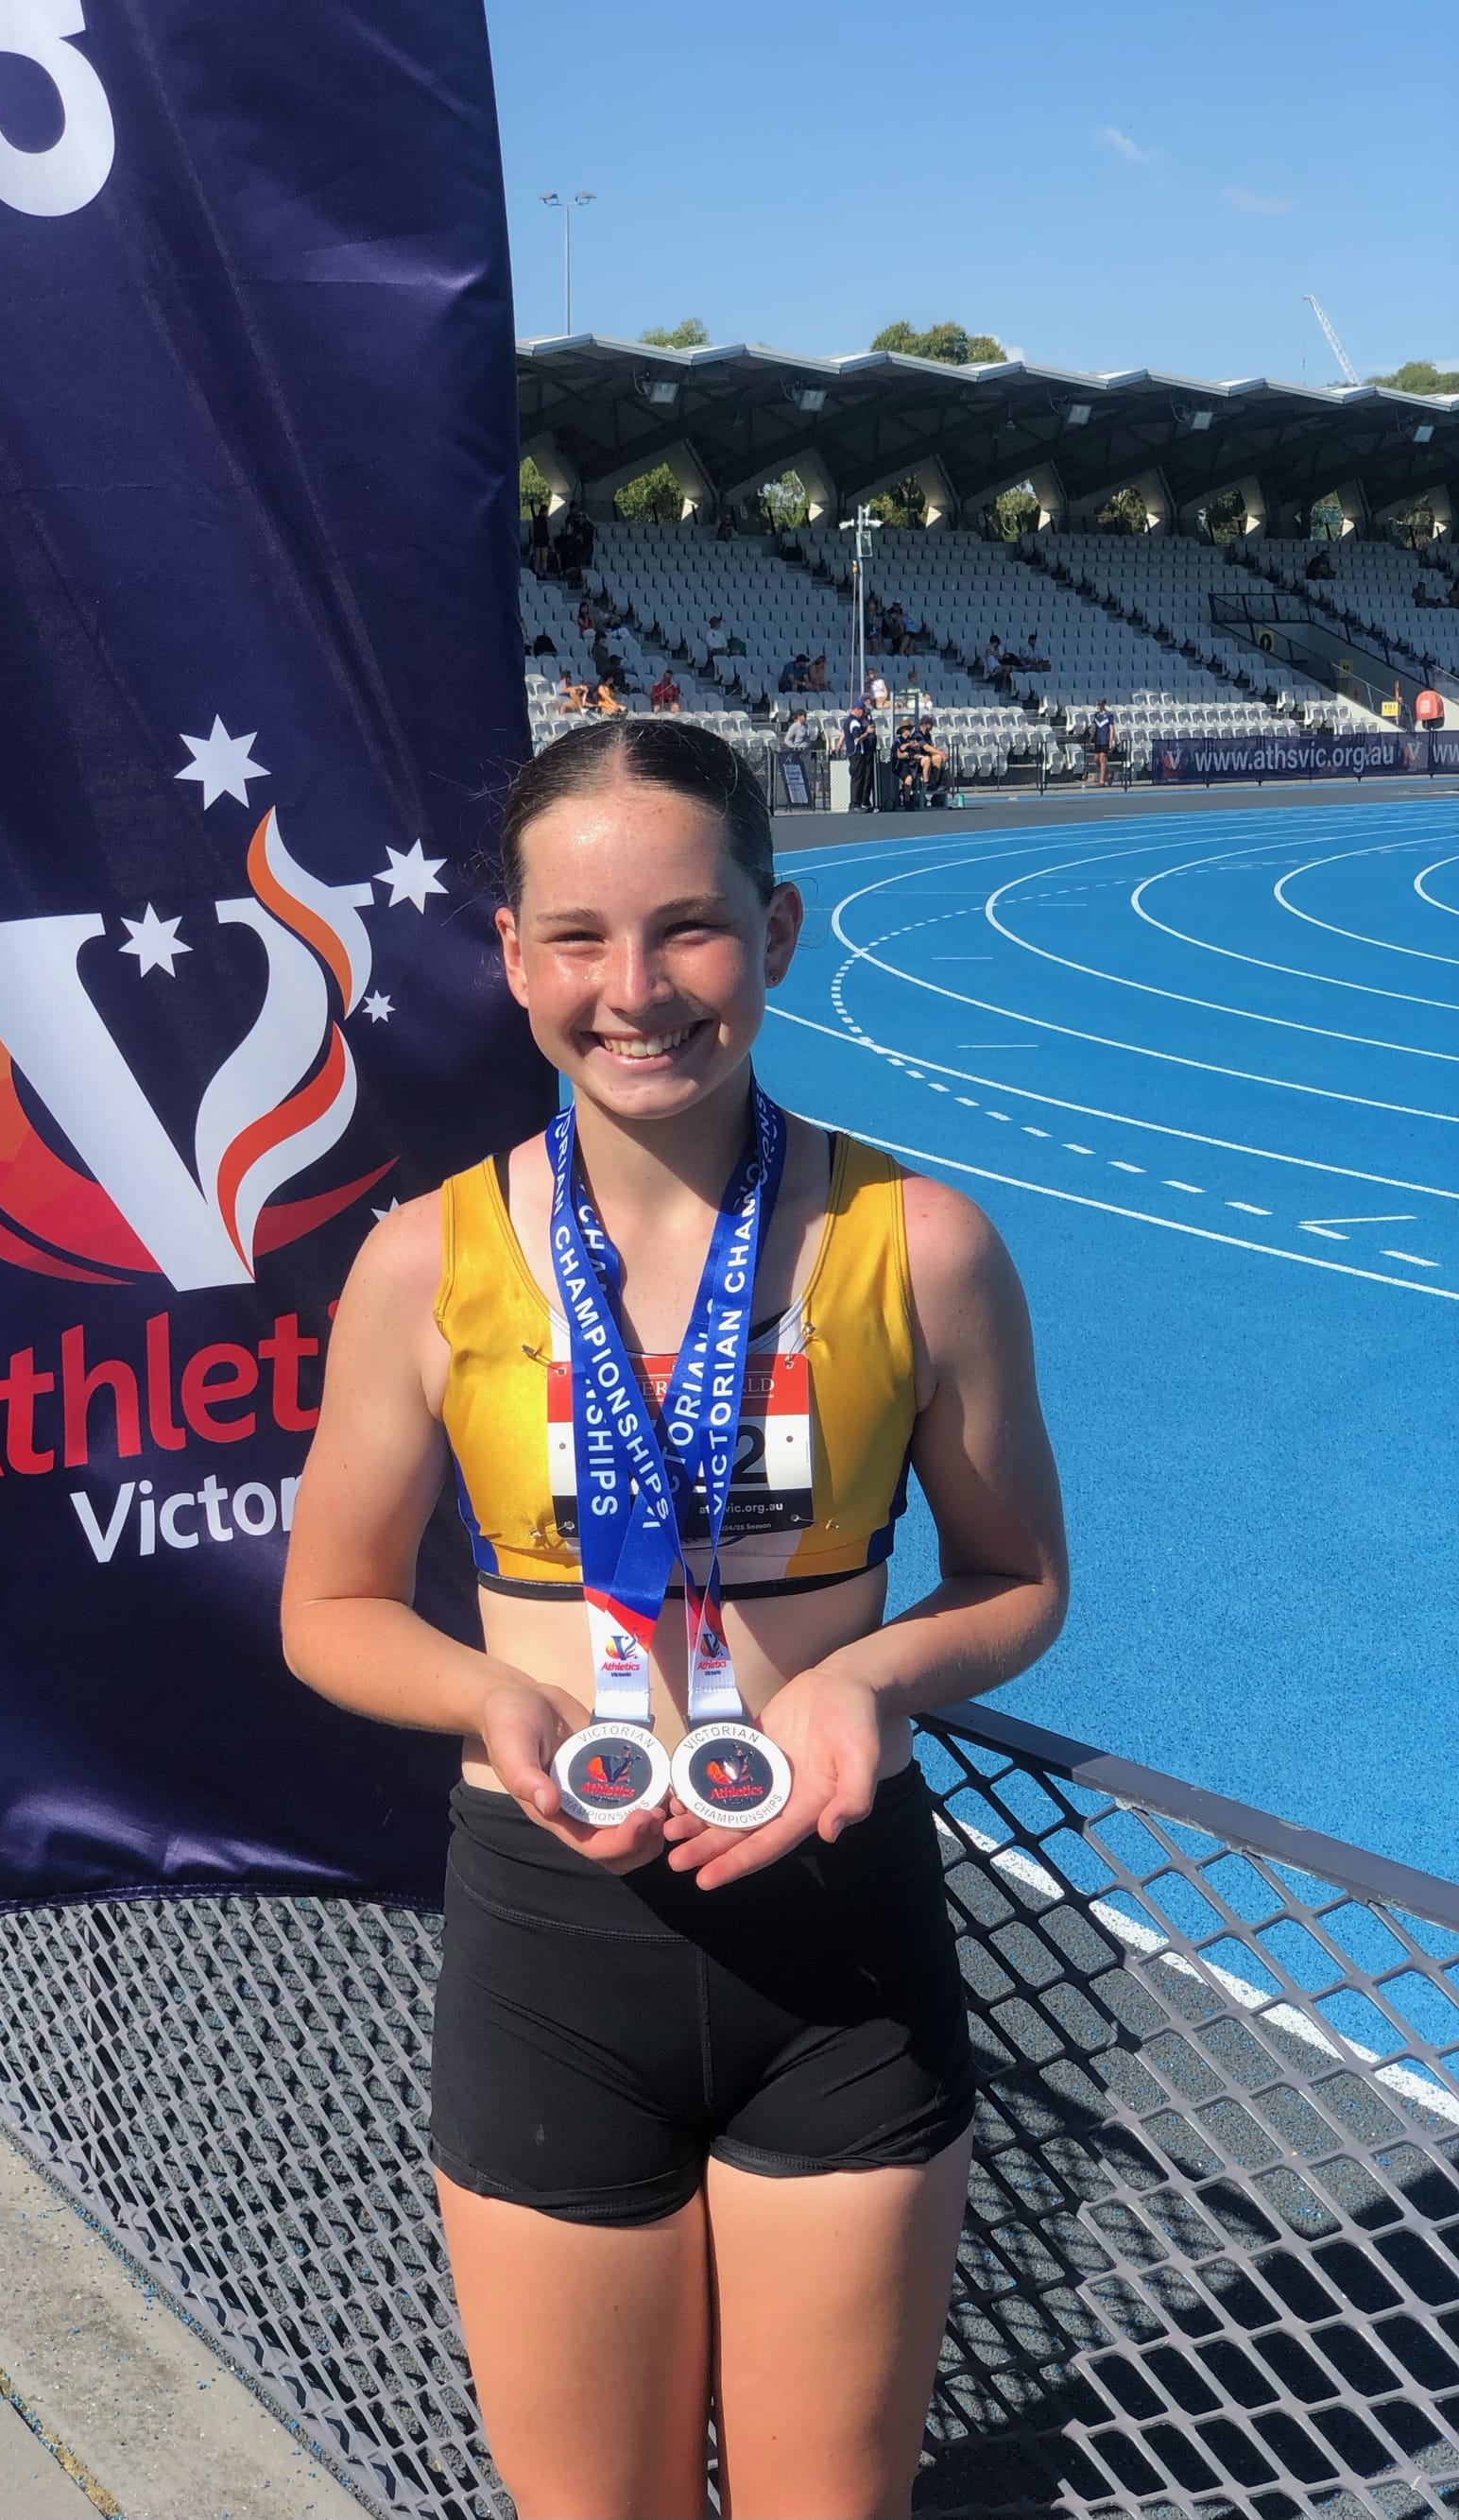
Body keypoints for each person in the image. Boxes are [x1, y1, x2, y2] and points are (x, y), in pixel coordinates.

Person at [281, 716, 1068, 2520]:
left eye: (689, 928)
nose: (634, 989)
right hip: (557, 1946)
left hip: (840, 1951)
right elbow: (328, 1607)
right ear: (511, 957)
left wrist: (874, 1674)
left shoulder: (919, 1244)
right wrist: (488, 1700)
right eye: (578, 936)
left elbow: (1018, 1578)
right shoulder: (425, 1261)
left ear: (777, 935)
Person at [845, 697, 879, 810]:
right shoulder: (854, 722)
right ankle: (855, 804)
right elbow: (857, 739)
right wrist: (867, 733)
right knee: (858, 778)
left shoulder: (850, 720)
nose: (864, 713)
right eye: (863, 711)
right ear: (858, 710)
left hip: (855, 753)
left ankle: (857, 803)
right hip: (856, 753)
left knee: (858, 778)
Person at [1090, 700, 1117, 787]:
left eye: (1100, 704)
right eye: (1098, 704)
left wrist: (1111, 740)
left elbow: (1112, 728)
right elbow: (1094, 728)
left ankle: (1102, 780)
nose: (1099, 706)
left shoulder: (1109, 715)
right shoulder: (1096, 715)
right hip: (1098, 740)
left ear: (1104, 704)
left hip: (1105, 740)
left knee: (1102, 759)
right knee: (1096, 760)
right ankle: (1109, 772)